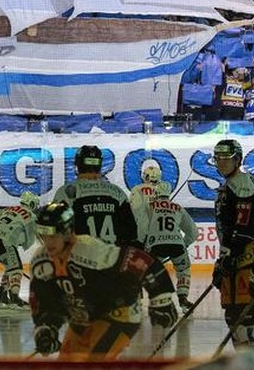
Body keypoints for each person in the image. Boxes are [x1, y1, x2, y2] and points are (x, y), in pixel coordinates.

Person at [28, 201, 153, 360]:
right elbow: (46, 303)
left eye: (52, 235)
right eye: (43, 234)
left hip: (117, 315)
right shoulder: (40, 261)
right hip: (84, 317)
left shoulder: (90, 250)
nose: (48, 242)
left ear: (67, 233)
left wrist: (160, 296)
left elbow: (137, 262)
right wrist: (46, 328)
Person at [211, 138, 254, 353]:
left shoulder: (243, 184)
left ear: (238, 160)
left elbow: (245, 227)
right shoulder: (228, 185)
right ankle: (245, 360)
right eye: (218, 159)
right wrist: (222, 260)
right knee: (232, 314)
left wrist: (229, 255)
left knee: (249, 313)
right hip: (233, 256)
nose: (221, 163)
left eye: (226, 159)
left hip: (249, 257)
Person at [130, 170, 197, 316]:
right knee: (184, 270)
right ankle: (183, 298)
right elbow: (193, 232)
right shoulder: (178, 208)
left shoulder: (148, 204)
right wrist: (184, 244)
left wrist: (142, 242)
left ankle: (147, 300)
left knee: (147, 272)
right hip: (176, 244)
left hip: (155, 245)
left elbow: (142, 224)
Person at [51, 146, 138, 246]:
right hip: (111, 253)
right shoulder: (117, 192)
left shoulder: (66, 192)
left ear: (77, 164)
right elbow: (131, 232)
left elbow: (55, 228)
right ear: (100, 165)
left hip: (80, 253)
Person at [0, 192, 38, 313]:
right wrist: (22, 242)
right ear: (32, 204)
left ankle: (3, 298)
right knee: (16, 269)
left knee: (10, 267)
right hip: (5, 241)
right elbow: (31, 237)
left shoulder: (9, 209)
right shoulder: (30, 215)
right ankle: (15, 300)